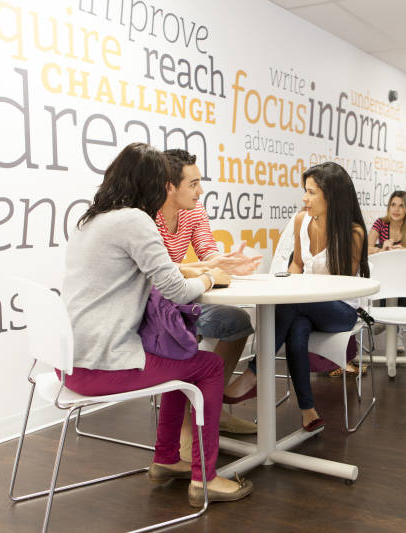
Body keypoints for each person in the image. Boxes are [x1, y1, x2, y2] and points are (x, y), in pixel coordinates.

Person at [61, 142, 253, 507]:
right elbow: (178, 291)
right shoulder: (135, 220)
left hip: (71, 365)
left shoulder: (92, 220)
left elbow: (160, 275)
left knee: (176, 356)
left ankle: (167, 457)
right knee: (208, 366)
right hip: (102, 365)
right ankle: (205, 477)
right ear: (152, 183)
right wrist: (212, 278)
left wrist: (207, 270)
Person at [223, 162, 369, 431]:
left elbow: (340, 285)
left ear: (332, 195)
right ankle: (308, 410)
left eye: (312, 192)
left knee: (293, 305)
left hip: (340, 310)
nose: (305, 198)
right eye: (306, 191)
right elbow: (297, 266)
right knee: (297, 326)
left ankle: (253, 374)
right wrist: (291, 286)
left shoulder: (353, 233)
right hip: (305, 306)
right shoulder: (302, 221)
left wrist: (295, 292)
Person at [155, 149, 261, 442]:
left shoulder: (195, 209)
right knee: (184, 333)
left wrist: (225, 263)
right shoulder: (144, 217)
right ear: (169, 186)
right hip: (152, 307)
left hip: (183, 298)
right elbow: (157, 272)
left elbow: (207, 251)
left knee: (236, 322)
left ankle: (208, 410)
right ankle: (190, 427)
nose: (201, 190)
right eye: (193, 183)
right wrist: (208, 269)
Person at [367, 190, 406, 353]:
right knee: (388, 287)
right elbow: (366, 247)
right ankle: (390, 326)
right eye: (393, 205)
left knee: (404, 301)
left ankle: (388, 324)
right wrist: (381, 248)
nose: (396, 209)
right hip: (385, 273)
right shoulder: (380, 223)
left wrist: (405, 249)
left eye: (401, 206)